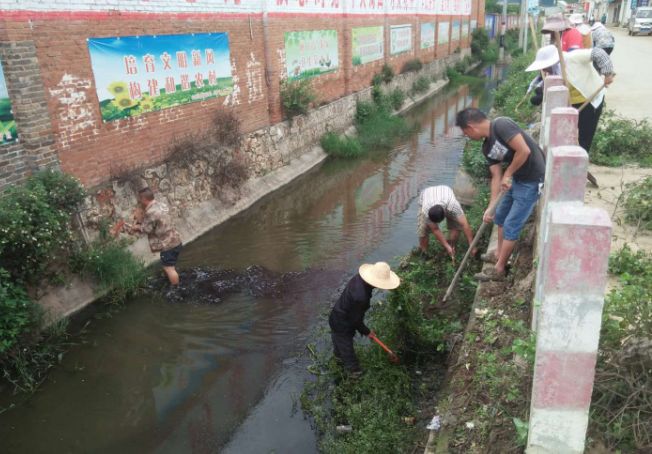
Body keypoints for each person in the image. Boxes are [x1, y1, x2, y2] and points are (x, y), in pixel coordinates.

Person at [455, 108, 545, 281]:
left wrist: (508, 173)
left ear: (470, 127)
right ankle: (497, 253)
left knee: (512, 224)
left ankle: (500, 269)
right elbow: (496, 177)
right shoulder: (486, 147)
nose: (467, 136)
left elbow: (524, 151)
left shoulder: (501, 125)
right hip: (516, 178)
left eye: (465, 133)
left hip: (532, 179)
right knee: (500, 215)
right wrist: (490, 207)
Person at [525, 44, 615, 163]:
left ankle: (579, 165)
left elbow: (599, 53)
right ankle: (570, 160)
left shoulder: (573, 57)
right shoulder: (553, 71)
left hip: (591, 100)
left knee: (584, 135)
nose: (543, 69)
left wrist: (607, 73)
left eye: (545, 66)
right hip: (573, 103)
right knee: (570, 135)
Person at [329, 262, 400, 376]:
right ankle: (354, 373)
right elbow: (355, 320)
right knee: (347, 350)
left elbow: (354, 316)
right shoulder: (361, 297)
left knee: (339, 346)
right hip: (341, 322)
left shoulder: (359, 278)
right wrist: (367, 331)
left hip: (337, 314)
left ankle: (338, 361)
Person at [129, 187, 183, 286]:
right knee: (169, 266)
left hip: (168, 245)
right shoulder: (161, 205)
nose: (139, 201)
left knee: (169, 268)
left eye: (139, 199)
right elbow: (157, 222)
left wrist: (136, 227)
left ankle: (176, 289)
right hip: (176, 240)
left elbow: (146, 229)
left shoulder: (151, 212)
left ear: (144, 199)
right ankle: (172, 282)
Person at [417, 185, 476, 259]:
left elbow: (465, 224)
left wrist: (472, 245)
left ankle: (452, 247)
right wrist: (446, 245)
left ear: (445, 213)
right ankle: (424, 253)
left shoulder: (453, 206)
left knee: (456, 226)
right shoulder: (426, 209)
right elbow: (435, 229)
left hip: (445, 192)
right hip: (426, 194)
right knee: (423, 230)